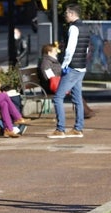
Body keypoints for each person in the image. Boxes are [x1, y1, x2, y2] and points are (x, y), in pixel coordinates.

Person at [47, 4, 90, 139]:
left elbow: (70, 49)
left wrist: (64, 65)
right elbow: (86, 49)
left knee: (58, 97)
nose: (65, 15)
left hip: (72, 68)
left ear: (72, 14)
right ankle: (78, 128)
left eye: (66, 13)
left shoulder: (73, 28)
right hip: (81, 67)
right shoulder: (85, 27)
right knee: (77, 98)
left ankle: (60, 129)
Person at [37, 44, 95, 118]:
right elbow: (49, 76)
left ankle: (85, 111)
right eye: (54, 51)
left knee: (75, 88)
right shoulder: (46, 62)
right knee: (74, 89)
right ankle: (84, 112)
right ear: (49, 52)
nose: (56, 52)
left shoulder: (51, 61)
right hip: (51, 87)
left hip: (56, 84)